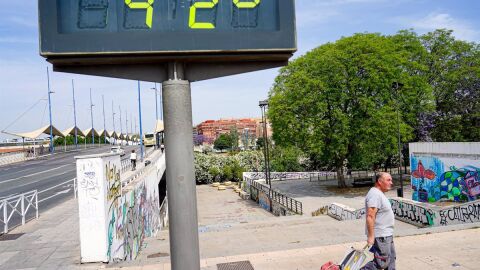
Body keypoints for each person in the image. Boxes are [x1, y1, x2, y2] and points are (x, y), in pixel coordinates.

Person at [361, 172, 396, 270]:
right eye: (388, 180)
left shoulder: (379, 194)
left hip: (386, 234)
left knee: (391, 260)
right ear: (380, 182)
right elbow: (370, 216)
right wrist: (371, 237)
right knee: (381, 263)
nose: (391, 183)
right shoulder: (375, 194)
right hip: (381, 235)